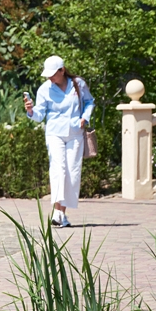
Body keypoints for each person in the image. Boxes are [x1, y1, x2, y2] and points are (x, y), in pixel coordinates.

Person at [24, 55, 94, 228]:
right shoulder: (44, 89)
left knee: (72, 172)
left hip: (75, 132)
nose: (50, 78)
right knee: (58, 169)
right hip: (54, 133)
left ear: (62, 70)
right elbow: (39, 116)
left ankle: (61, 214)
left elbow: (89, 102)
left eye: (53, 74)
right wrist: (31, 110)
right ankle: (57, 212)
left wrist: (85, 117)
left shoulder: (78, 84)